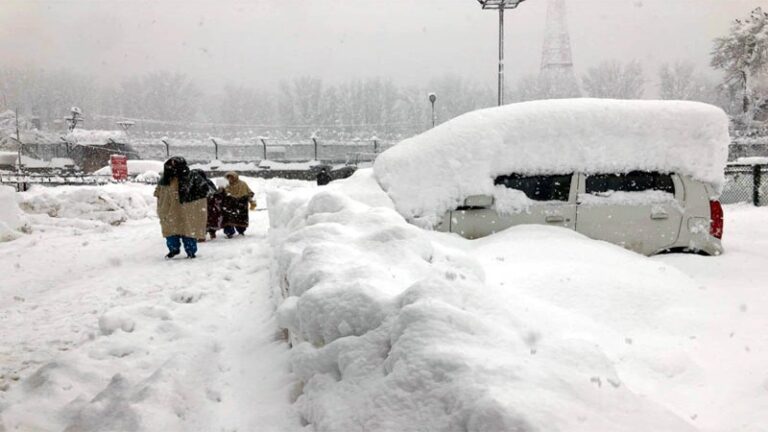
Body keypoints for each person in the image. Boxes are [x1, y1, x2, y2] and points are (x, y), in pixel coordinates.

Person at [154, 157, 214, 259]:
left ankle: (191, 251)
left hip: (187, 211)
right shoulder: (164, 180)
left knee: (188, 230)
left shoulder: (192, 178)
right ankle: (174, 249)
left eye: (175, 164)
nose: (172, 167)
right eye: (170, 165)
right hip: (170, 210)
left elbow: (205, 191)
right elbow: (158, 193)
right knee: (170, 231)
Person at [221, 171, 256, 238]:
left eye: (231, 177)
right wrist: (221, 188)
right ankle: (229, 233)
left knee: (241, 219)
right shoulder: (225, 185)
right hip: (229, 205)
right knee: (228, 219)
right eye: (228, 177)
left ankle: (241, 231)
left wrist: (252, 202)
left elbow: (249, 193)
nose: (230, 179)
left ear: (235, 177)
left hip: (241, 205)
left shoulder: (242, 184)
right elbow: (220, 194)